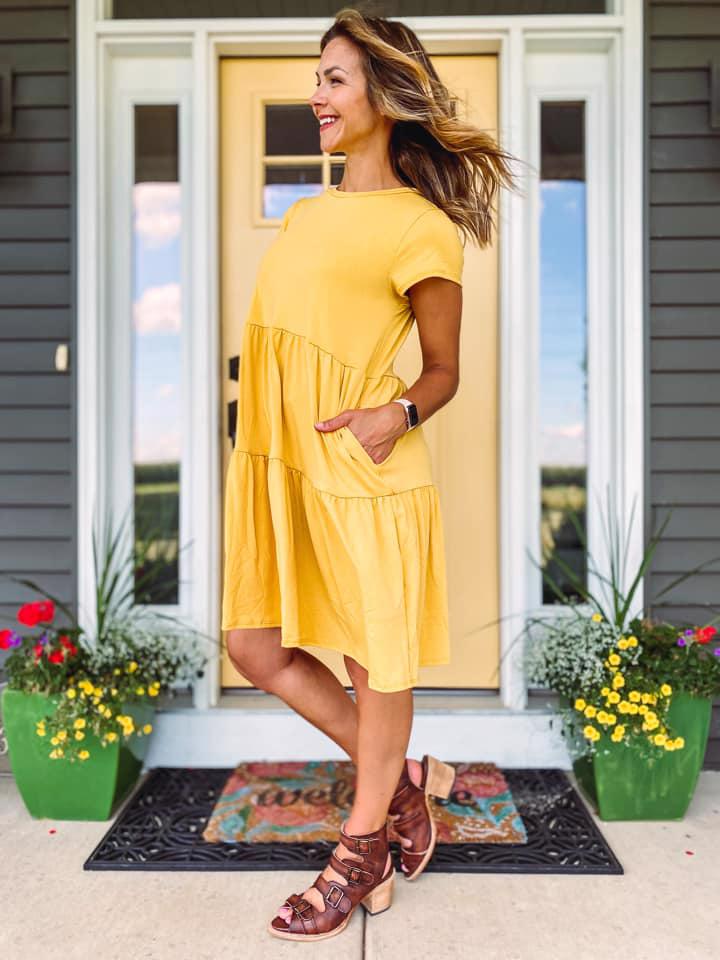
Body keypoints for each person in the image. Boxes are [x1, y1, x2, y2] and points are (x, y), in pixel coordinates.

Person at [221, 5, 516, 942]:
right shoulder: (307, 213)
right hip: (285, 463)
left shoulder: (422, 228)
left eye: (335, 78)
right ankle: (408, 787)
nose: (317, 95)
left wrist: (400, 414)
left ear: (385, 94)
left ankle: (361, 848)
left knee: (372, 660)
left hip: (365, 464)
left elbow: (444, 369)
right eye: (317, 77)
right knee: (252, 646)